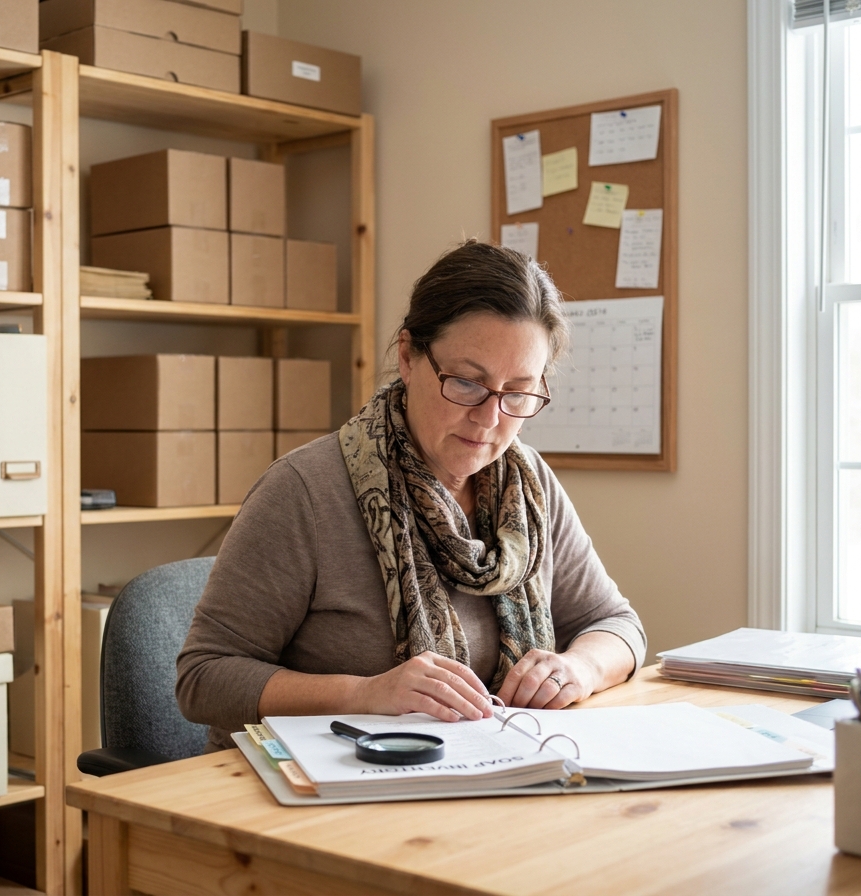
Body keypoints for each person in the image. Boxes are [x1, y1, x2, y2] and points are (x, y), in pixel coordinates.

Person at [177, 239, 646, 752]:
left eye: (517, 393)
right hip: (323, 791)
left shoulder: (529, 486)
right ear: (408, 356)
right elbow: (204, 679)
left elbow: (615, 624)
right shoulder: (306, 492)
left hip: (486, 772)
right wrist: (365, 694)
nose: (491, 419)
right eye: (467, 382)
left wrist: (579, 667)